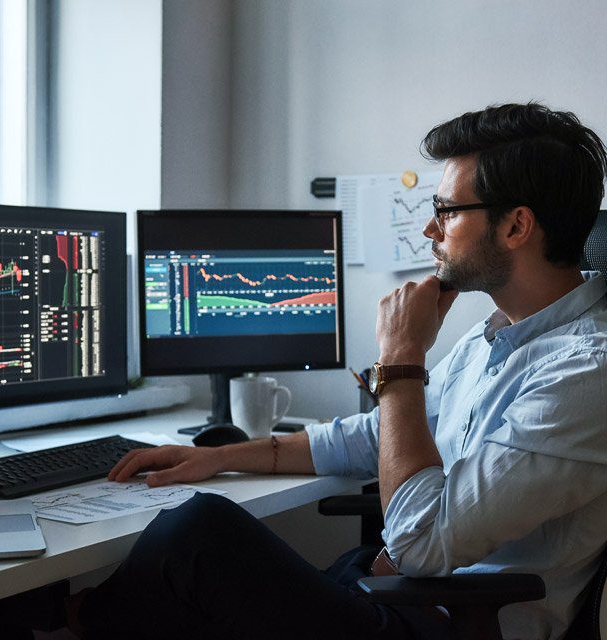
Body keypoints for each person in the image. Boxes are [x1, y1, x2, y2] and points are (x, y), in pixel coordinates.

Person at [71, 103, 607, 640]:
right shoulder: (494, 335)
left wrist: (400, 360)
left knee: (198, 534)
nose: (428, 228)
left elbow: (417, 542)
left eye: (446, 210)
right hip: (392, 595)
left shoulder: (584, 372)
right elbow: (373, 438)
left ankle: (67, 626)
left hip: (447, 624)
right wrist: (216, 457)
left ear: (516, 226)